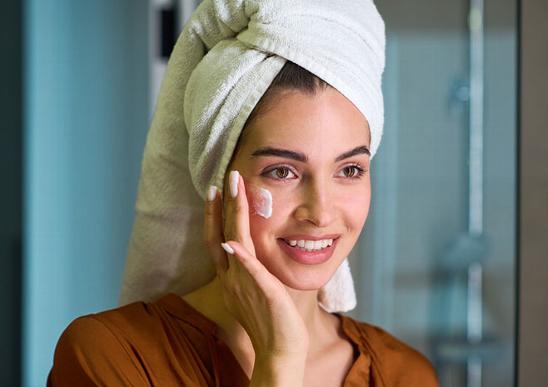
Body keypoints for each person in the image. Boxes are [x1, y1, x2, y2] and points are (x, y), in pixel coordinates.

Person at [48, 1, 439, 386]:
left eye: (350, 169)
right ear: (217, 180)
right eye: (282, 171)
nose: (320, 212)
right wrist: (279, 362)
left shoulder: (403, 374)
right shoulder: (112, 357)